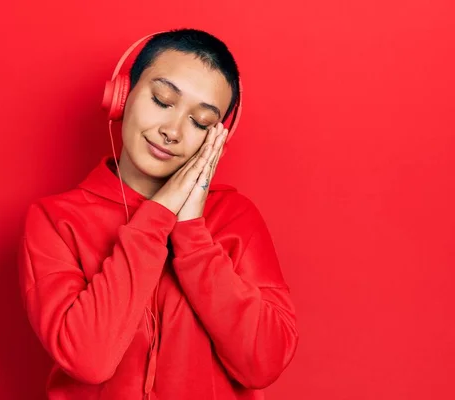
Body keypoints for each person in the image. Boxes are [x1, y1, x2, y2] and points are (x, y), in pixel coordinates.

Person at [18, 28, 298, 400]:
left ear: (216, 139)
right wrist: (159, 214)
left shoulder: (236, 217)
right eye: (162, 100)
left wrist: (192, 235)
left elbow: (264, 363)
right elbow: (90, 360)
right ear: (121, 96)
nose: (172, 131)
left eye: (200, 122)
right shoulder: (55, 220)